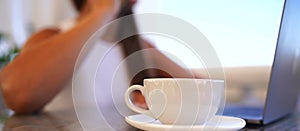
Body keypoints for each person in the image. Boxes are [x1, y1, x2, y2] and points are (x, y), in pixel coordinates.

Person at [0, 0, 197, 114]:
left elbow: (202, 95)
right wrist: (103, 10)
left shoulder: (138, 48)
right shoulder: (53, 36)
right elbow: (16, 93)